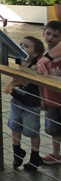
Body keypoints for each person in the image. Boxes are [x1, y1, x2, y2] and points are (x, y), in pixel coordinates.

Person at [0, 36, 45, 170]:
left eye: (26, 46)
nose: (21, 47)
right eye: (21, 44)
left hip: (31, 104)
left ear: (35, 53)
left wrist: (13, 83)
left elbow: (27, 77)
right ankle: (17, 151)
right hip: (17, 100)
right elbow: (3, 51)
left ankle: (35, 155)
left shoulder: (35, 64)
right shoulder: (18, 58)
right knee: (14, 125)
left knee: (32, 130)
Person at [35, 21, 61, 165]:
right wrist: (42, 98)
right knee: (54, 129)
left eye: (56, 36)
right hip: (51, 100)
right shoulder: (41, 56)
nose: (50, 38)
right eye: (48, 33)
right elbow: (40, 81)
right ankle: (56, 154)